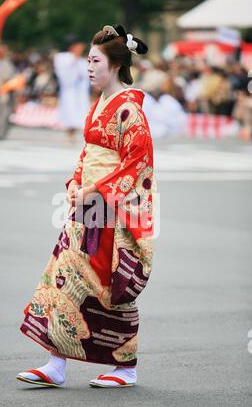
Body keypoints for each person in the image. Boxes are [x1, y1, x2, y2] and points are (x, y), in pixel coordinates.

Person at [17, 24, 156, 388]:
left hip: (112, 209)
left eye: (95, 61)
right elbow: (87, 155)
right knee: (64, 276)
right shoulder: (99, 106)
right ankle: (55, 362)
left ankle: (125, 366)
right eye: (88, 61)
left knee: (110, 287)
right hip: (89, 204)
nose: (89, 68)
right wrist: (76, 184)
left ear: (114, 64)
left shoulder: (129, 109)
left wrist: (94, 189)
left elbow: (137, 164)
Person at [54, 35, 90, 143]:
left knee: (80, 112)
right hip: (69, 90)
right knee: (70, 110)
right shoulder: (62, 57)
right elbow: (64, 74)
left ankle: (74, 133)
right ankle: (69, 133)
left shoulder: (82, 61)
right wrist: (75, 57)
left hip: (80, 91)